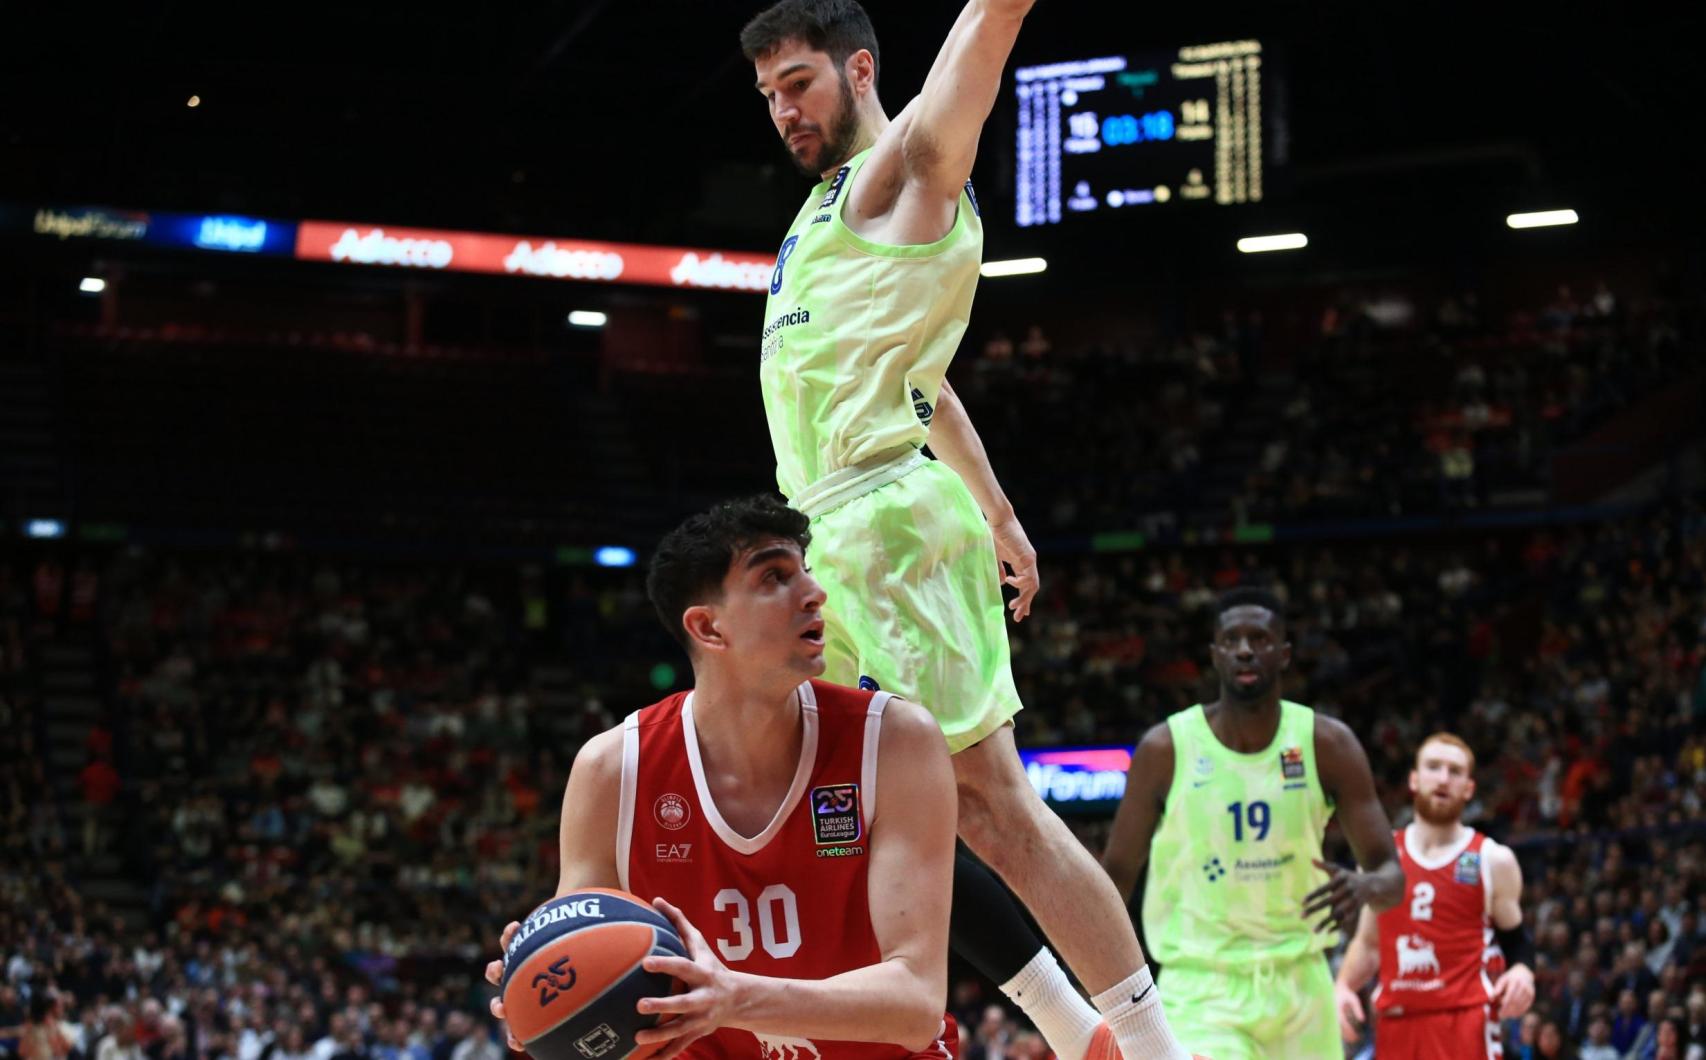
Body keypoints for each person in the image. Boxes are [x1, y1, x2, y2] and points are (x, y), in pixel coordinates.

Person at [740, 2, 1187, 1054]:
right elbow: (924, 385)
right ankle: (1070, 1026)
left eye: (797, 83)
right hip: (828, 533)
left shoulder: (903, 174)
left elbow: (968, 68)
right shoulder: (823, 214)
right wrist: (997, 508)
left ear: (858, 69)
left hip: (884, 522)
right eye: (766, 96)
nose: (781, 111)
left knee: (993, 806)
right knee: (852, 812)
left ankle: (1151, 1046)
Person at [488, 497, 960, 1057]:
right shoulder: (612, 771)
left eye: (806, 571)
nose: (814, 593)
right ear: (708, 627)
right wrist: (537, 996)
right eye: (775, 577)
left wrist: (733, 998)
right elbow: (579, 979)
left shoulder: (895, 739)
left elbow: (915, 1005)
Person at [1100, 587, 1407, 1058]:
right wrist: (1101, 985)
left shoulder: (1327, 744)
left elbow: (1391, 876)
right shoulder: (1166, 749)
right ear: (1215, 654)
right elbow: (1115, 877)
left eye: (1259, 638)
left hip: (1302, 982)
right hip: (1201, 988)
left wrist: (1365, 888)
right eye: (1232, 639)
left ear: (1283, 654)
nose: (1245, 649)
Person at [1334, 732, 1537, 1058]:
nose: (1443, 778)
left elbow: (1516, 940)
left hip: (1464, 1020)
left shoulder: (1492, 859)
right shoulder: (1381, 858)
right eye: (1433, 767)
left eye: (1455, 771)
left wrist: (1523, 971)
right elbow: (1369, 943)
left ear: (1469, 789)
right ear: (1414, 779)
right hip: (1396, 1021)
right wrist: (1343, 986)